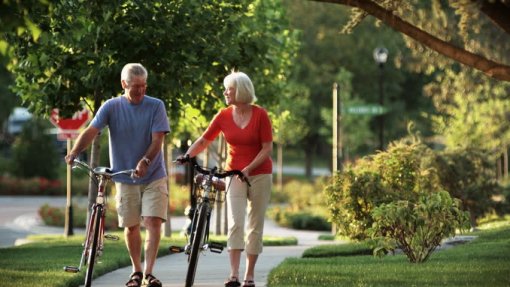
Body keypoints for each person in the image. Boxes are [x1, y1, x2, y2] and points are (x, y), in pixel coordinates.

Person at [65, 63, 169, 287]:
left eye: (144, 86)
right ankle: (137, 271)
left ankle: (149, 273)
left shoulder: (156, 106)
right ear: (124, 84)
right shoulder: (111, 107)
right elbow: (92, 131)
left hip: (153, 174)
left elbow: (158, 139)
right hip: (124, 176)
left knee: (152, 222)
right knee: (131, 226)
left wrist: (145, 160)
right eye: (135, 86)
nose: (141, 90)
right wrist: (74, 151)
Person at [178, 71, 273, 287]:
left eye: (228, 89)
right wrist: (187, 155)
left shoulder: (260, 115)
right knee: (235, 223)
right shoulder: (223, 115)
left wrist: (249, 168)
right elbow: (204, 139)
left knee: (255, 225)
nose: (225, 93)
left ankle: (249, 275)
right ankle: (233, 275)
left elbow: (267, 148)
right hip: (233, 174)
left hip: (259, 174)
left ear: (240, 90)